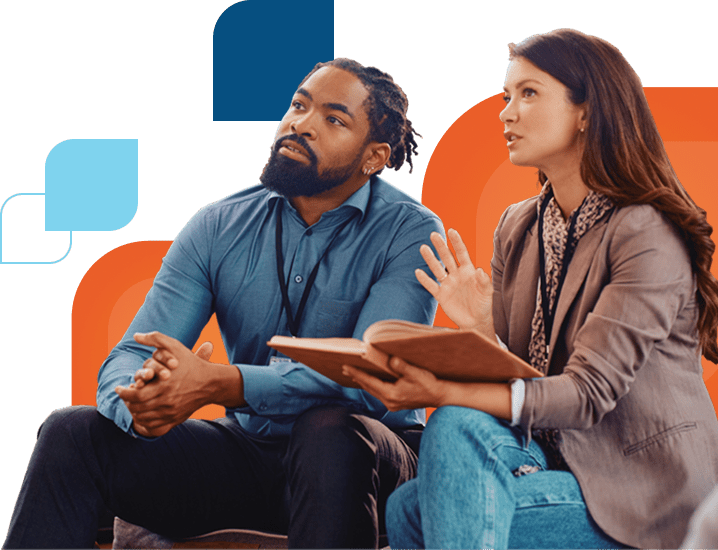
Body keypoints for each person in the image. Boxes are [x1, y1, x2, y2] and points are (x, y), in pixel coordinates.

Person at [4, 57, 443, 550]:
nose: (301, 124)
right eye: (299, 105)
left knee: (328, 431)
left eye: (333, 119)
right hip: (249, 454)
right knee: (72, 433)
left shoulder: (412, 232)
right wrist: (141, 399)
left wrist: (223, 383)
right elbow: (133, 352)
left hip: (370, 457)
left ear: (374, 157)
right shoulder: (218, 224)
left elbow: (370, 381)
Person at [344, 29, 718, 549]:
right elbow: (529, 380)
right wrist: (483, 329)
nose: (506, 113)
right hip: (558, 463)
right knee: (425, 476)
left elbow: (585, 394)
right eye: (505, 96)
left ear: (586, 111)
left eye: (528, 93)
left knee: (425, 502)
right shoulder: (520, 227)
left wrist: (440, 390)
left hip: (649, 495)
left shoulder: (644, 231)